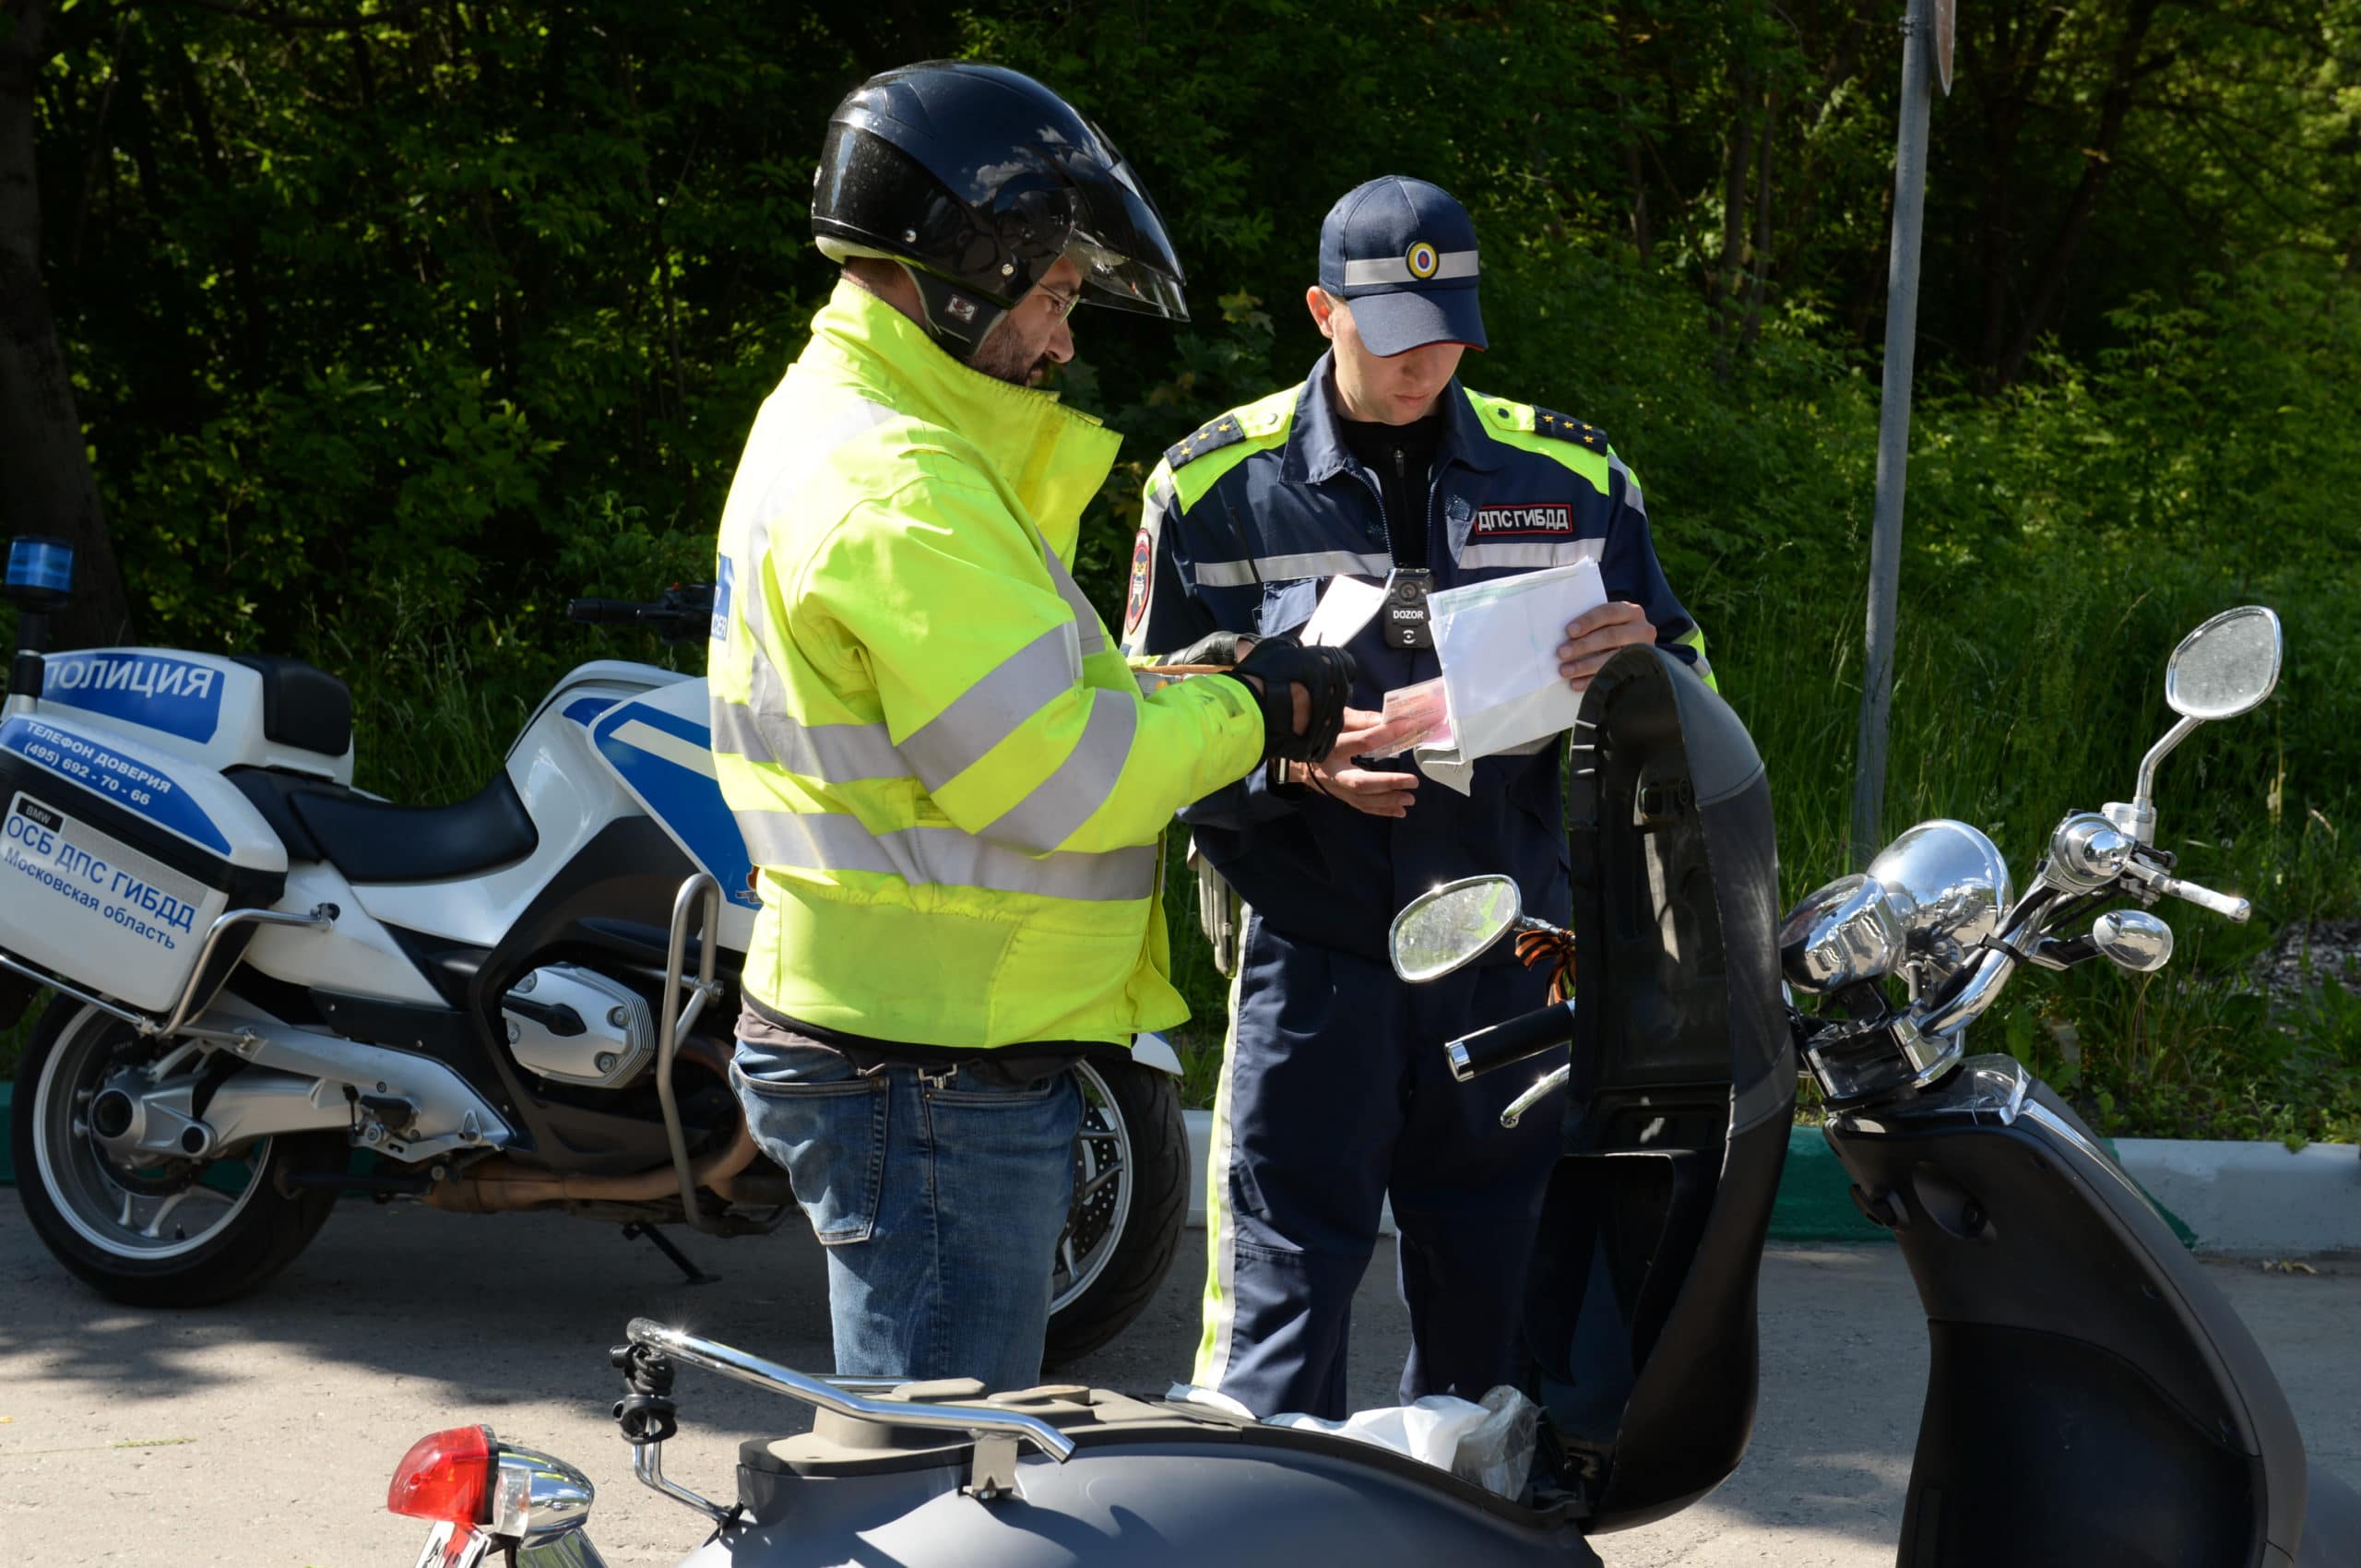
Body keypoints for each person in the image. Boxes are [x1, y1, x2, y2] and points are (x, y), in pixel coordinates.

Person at [706, 62, 1354, 1395]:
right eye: (1054, 294)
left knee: (926, 1447)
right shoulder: (906, 485)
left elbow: (999, 715)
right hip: (931, 1063)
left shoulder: (849, 426)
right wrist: (1256, 708)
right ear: (964, 270)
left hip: (906, 1030)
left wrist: (1180, 683)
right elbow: (1061, 781)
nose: (1062, 342)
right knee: (942, 1466)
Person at [1122, 175, 1714, 1419]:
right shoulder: (1209, 487)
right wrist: (1285, 761)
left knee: (1499, 1344)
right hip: (1313, 955)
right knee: (1275, 1334)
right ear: (1322, 311)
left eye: (1449, 334)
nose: (1425, 364)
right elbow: (1133, 726)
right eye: (1395, 335)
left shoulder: (1575, 475)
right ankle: (1278, 1517)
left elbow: (1689, 693)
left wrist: (1641, 673)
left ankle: (1466, 1520)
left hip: (1515, 949)